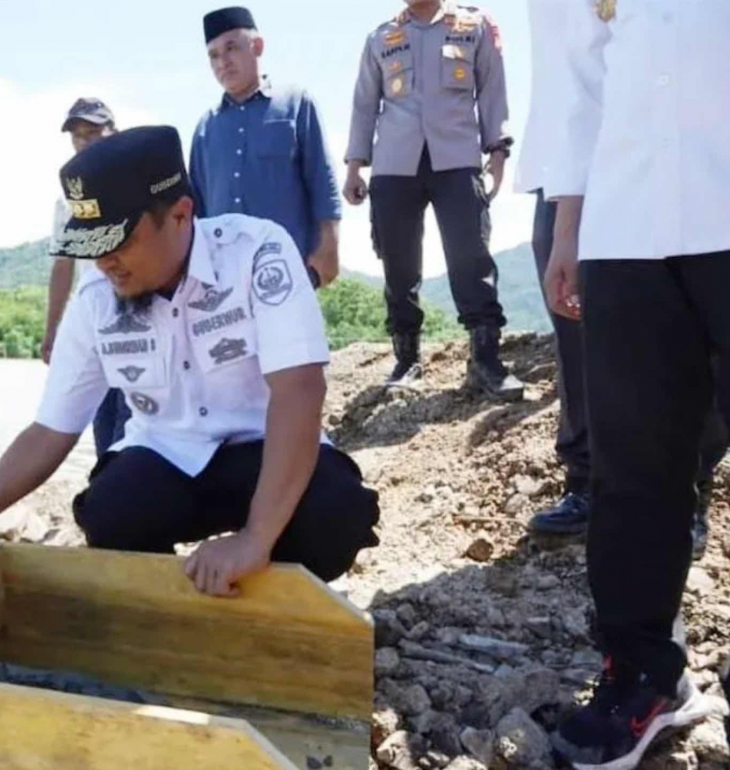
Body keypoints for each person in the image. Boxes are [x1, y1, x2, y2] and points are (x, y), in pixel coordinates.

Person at [0, 126, 380, 592]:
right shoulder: (95, 299)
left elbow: (299, 391)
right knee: (111, 511)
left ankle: (269, 592)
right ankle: (174, 610)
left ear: (181, 215)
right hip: (167, 457)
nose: (105, 262)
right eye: (92, 246)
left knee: (334, 514)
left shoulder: (257, 253)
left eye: (117, 242)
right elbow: (49, 432)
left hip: (265, 449)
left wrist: (255, 538)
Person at [542, 0, 727, 770]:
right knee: (633, 464)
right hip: (626, 222)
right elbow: (574, 80)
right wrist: (567, 228)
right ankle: (645, 670)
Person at [517, 0, 728, 545]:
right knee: (588, 343)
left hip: (696, 165)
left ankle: (691, 486)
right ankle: (590, 480)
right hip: (577, 161)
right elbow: (578, 69)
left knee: (693, 341)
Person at [343, 0, 521, 398]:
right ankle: (407, 359)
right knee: (398, 263)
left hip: (456, 158)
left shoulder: (473, 26)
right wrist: (356, 165)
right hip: (394, 162)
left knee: (471, 255)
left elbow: (492, 89)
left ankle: (485, 361)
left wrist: (497, 149)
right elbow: (364, 103)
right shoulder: (380, 37)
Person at [190, 7, 341, 290]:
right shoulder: (205, 128)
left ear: (257, 46)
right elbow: (196, 207)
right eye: (213, 55)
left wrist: (329, 247)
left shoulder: (296, 104)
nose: (223, 62)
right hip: (225, 279)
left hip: (288, 269)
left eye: (231, 48)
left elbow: (322, 180)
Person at [42, 97, 129, 457]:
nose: (84, 142)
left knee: (133, 417)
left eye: (93, 133)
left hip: (139, 319)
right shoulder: (68, 200)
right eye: (77, 135)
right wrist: (52, 332)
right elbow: (63, 265)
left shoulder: (134, 184)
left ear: (113, 133)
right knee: (101, 419)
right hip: (95, 322)